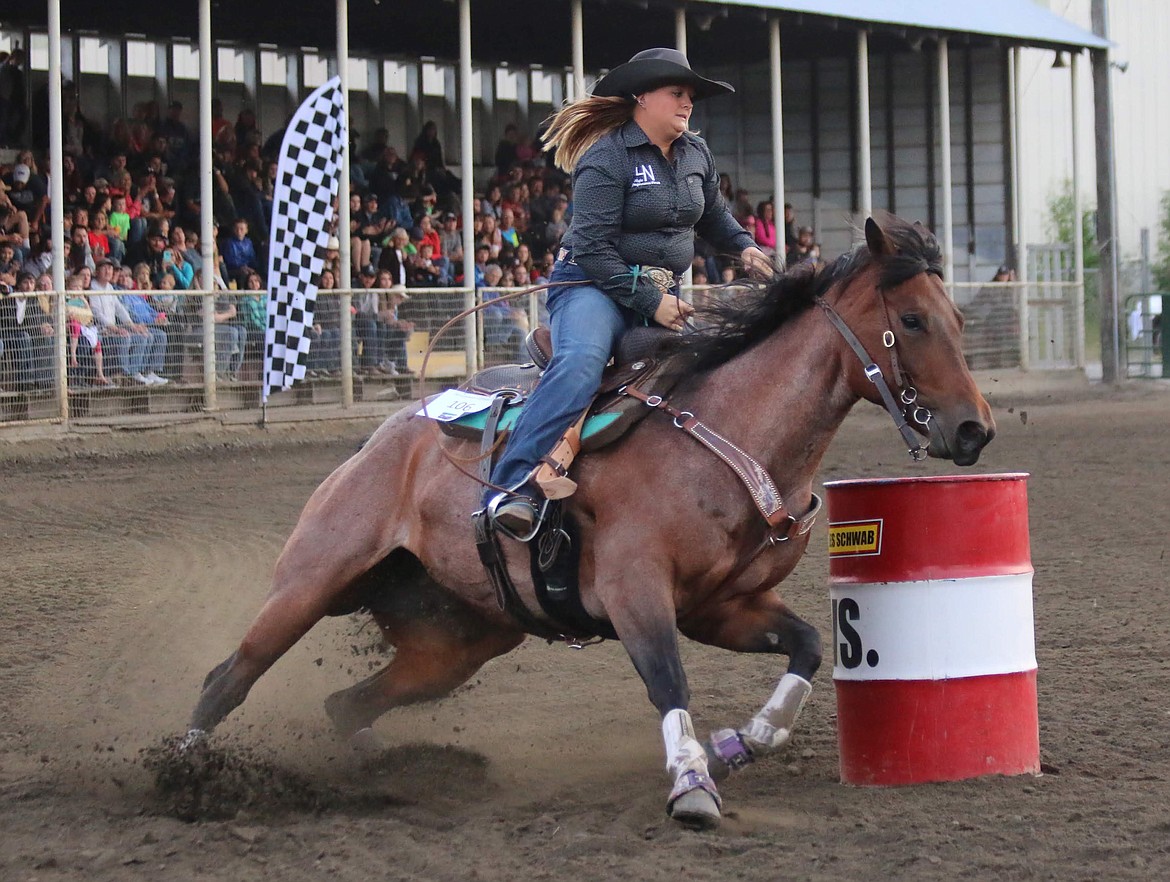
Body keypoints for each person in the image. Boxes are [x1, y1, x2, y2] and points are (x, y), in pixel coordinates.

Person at [481, 47, 769, 534]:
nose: (687, 103)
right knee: (579, 366)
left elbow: (715, 214)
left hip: (662, 296)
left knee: (718, 368)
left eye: (691, 96)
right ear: (643, 96)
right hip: (591, 288)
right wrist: (653, 302)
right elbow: (591, 249)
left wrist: (746, 249)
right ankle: (511, 487)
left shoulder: (695, 153)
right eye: (677, 93)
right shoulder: (607, 158)